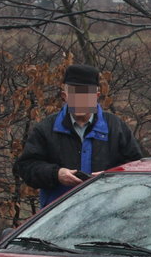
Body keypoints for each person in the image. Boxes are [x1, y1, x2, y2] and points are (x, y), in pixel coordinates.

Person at [12, 64, 142, 207]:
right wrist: (56, 174)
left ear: (96, 96)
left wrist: (109, 176)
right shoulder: (46, 129)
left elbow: (135, 167)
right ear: (64, 96)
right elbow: (26, 167)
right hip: (58, 216)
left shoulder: (115, 127)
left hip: (107, 213)